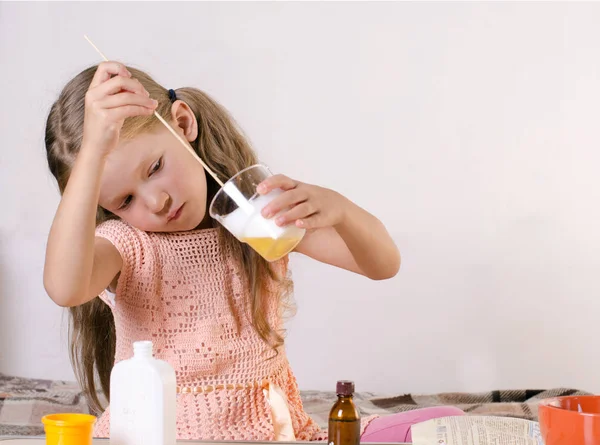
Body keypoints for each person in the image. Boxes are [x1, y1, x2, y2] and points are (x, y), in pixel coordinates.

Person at [43, 61, 461, 442]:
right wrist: (92, 156)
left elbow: (383, 265)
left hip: (270, 431)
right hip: (162, 434)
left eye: (154, 168)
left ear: (183, 123)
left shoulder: (253, 221)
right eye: (124, 200)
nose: (155, 202)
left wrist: (342, 210)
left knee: (447, 422)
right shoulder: (127, 245)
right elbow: (65, 288)